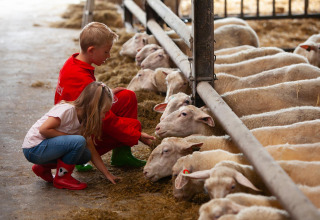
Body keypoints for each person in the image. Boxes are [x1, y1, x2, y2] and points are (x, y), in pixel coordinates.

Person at [54, 22, 155, 171]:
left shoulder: (73, 62)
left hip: (80, 119)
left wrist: (106, 92)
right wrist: (137, 135)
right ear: (91, 50)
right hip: (76, 132)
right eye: (106, 52)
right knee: (132, 126)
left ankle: (121, 155)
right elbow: (105, 119)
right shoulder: (81, 78)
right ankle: (79, 157)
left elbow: (85, 97)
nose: (108, 56)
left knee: (126, 96)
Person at [22, 82, 119, 190]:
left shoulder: (84, 121)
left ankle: (43, 168)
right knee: (78, 141)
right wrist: (70, 138)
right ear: (94, 107)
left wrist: (107, 174)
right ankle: (62, 179)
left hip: (45, 149)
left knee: (85, 154)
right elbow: (44, 129)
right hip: (34, 149)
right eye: (104, 112)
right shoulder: (67, 110)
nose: (104, 116)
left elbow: (92, 150)